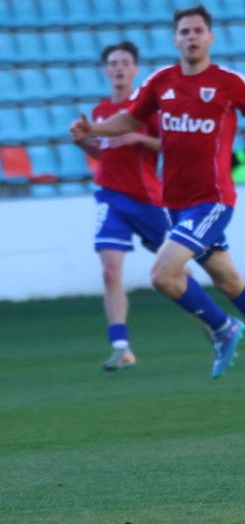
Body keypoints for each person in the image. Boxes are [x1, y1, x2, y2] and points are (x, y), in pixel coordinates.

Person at [70, 5, 245, 396]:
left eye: (198, 30)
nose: (191, 37)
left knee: (162, 275)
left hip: (213, 200)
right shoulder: (161, 82)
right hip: (175, 202)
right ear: (175, 39)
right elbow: (130, 119)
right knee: (230, 281)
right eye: (184, 31)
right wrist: (93, 129)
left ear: (210, 37)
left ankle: (222, 327)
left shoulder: (229, 83)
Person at [78, 41, 166, 372]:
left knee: (173, 274)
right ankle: (121, 345)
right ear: (106, 70)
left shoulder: (147, 108)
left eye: (124, 62)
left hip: (147, 199)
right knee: (110, 271)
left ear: (135, 69)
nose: (118, 67)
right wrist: (83, 142)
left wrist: (139, 138)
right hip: (110, 197)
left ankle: (214, 324)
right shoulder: (100, 111)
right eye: (113, 63)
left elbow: (170, 144)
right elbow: (106, 155)